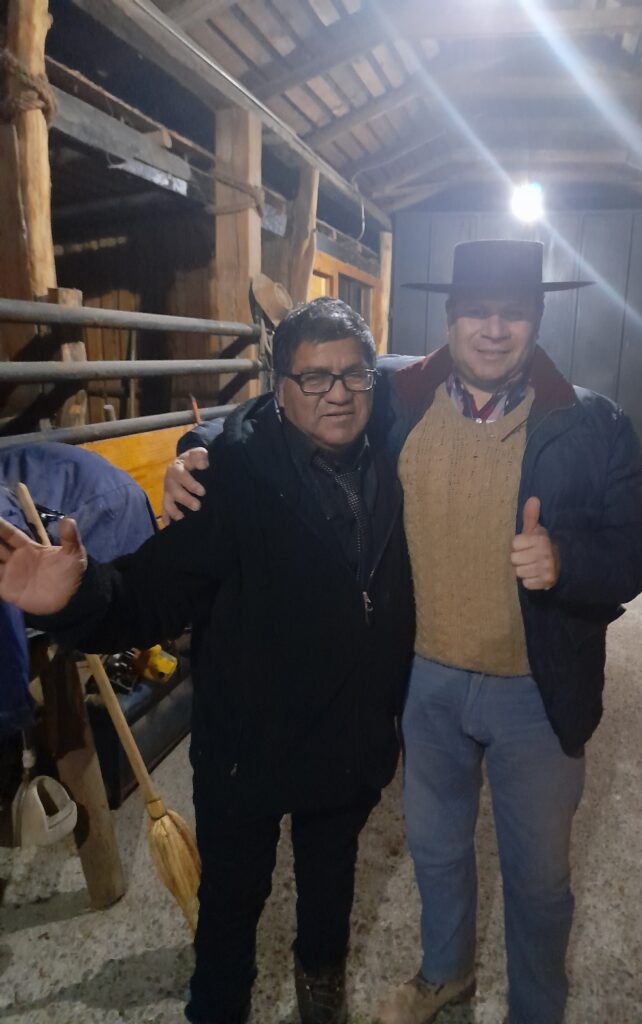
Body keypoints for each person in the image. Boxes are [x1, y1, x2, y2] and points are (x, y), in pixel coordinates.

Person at [160, 239, 642, 1024]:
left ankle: (537, 1007)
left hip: (535, 691)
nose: (493, 330)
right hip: (424, 684)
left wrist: (567, 560)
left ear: (536, 319)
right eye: (477, 312)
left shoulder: (591, 422)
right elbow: (284, 407)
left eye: (512, 313)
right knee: (436, 851)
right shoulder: (399, 395)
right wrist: (197, 451)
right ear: (451, 316)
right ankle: (446, 974)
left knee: (538, 879)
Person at [0, 297, 415, 1024]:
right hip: (246, 751)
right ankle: (219, 1005)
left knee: (330, 878)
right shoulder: (229, 480)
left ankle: (321, 980)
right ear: (280, 388)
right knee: (231, 900)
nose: (338, 393)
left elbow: (458, 367)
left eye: (354, 374)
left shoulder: (396, 457)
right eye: (314, 378)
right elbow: (151, 593)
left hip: (346, 737)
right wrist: (77, 595)